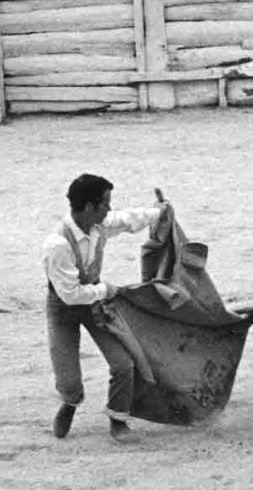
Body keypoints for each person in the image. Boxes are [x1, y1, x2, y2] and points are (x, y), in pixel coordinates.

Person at [44, 175, 170, 442]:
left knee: (123, 363)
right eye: (105, 204)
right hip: (64, 307)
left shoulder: (97, 224)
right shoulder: (57, 245)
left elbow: (126, 220)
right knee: (68, 380)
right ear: (90, 208)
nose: (109, 210)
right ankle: (70, 402)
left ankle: (118, 420)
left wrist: (158, 212)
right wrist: (105, 290)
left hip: (94, 301)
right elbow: (70, 295)